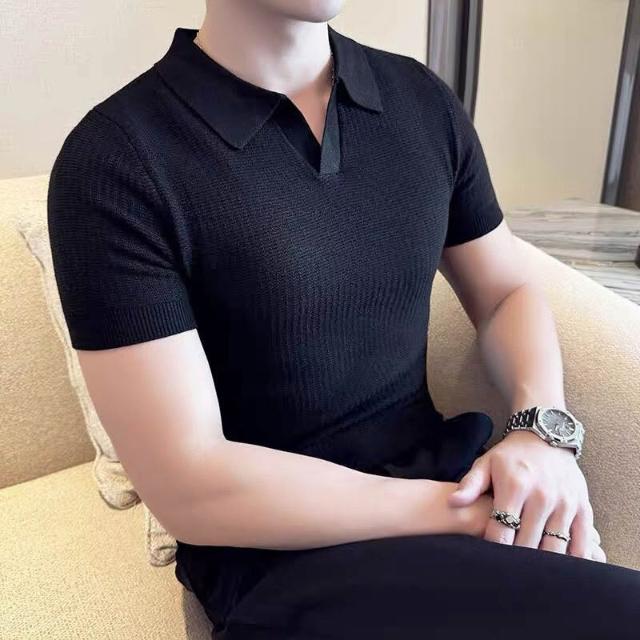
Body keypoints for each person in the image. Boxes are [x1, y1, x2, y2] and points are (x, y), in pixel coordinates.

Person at [47, 1, 640, 638]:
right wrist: (474, 513)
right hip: (282, 553)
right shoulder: (115, 162)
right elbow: (191, 486)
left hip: (442, 478)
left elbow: (506, 290)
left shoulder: (419, 100)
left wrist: (541, 430)